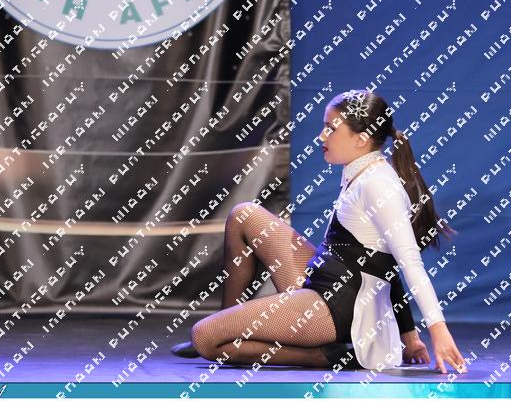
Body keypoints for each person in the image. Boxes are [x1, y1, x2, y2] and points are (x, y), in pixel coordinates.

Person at [171, 89, 467, 374]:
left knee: (205, 338)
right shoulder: (360, 169)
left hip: (339, 308)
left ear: (361, 139)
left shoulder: (379, 184)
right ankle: (227, 324)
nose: (321, 136)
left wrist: (436, 331)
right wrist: (409, 336)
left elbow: (405, 262)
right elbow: (380, 258)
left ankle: (321, 356)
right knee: (244, 215)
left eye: (331, 129)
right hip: (322, 280)